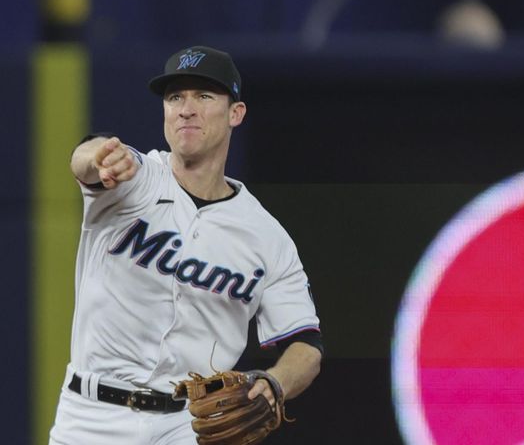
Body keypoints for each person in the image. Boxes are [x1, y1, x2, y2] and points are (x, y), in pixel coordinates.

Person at [49, 46, 323, 445]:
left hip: (187, 426)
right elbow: (85, 157)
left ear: (236, 113)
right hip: (92, 417)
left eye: (204, 96)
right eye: (175, 97)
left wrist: (277, 382)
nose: (186, 109)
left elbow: (306, 344)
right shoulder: (135, 180)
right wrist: (101, 157)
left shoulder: (267, 237)